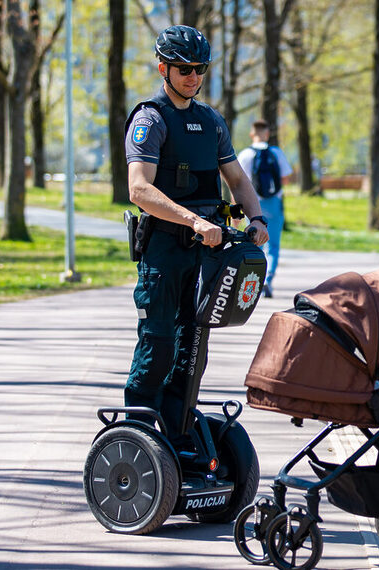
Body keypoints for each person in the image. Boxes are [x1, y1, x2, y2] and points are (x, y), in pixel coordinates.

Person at [123, 25, 269, 438]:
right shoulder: (150, 119)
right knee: (159, 345)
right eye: (183, 68)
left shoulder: (210, 121)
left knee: (193, 348)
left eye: (199, 68)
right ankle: (138, 434)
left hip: (207, 252)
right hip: (165, 250)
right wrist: (193, 220)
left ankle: (176, 433)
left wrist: (257, 219)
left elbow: (238, 180)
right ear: (163, 69)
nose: (193, 76)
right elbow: (139, 189)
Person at [237, 119, 293, 298]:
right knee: (273, 245)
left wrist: (236, 209)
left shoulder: (245, 154)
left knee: (255, 243)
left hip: (253, 205)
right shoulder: (276, 152)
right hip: (274, 203)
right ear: (267, 134)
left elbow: (237, 183)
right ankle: (269, 280)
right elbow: (285, 178)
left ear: (252, 134)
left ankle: (256, 281)